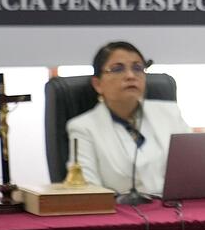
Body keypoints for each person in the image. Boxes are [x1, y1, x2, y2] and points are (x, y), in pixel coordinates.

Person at [66, 41, 189, 196]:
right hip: (118, 209)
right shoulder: (83, 128)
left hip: (174, 206)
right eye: (118, 69)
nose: (131, 76)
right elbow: (88, 189)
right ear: (97, 84)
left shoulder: (170, 113)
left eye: (137, 68)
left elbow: (193, 167)